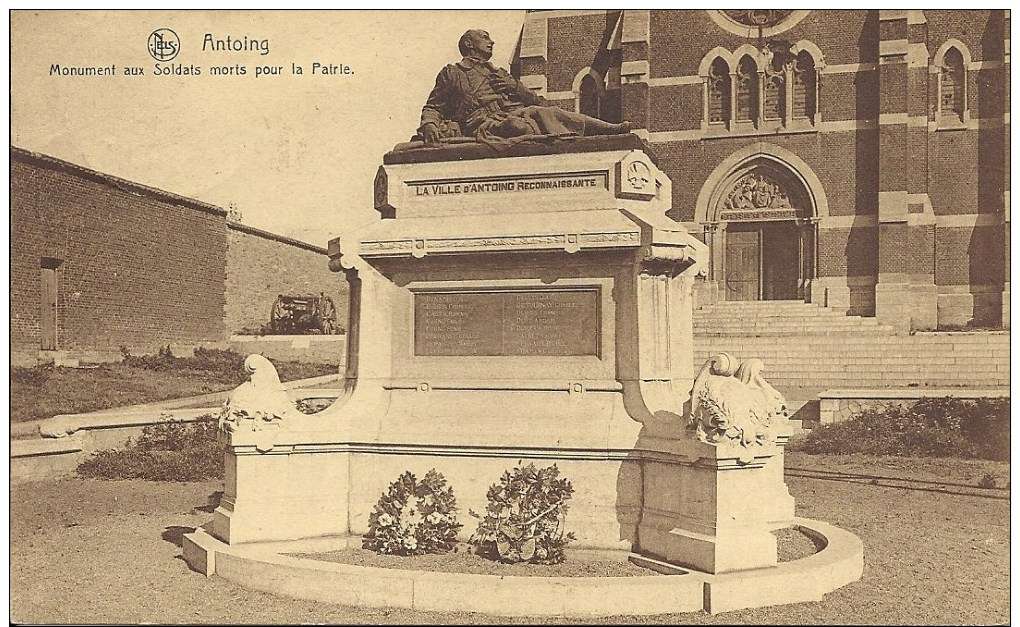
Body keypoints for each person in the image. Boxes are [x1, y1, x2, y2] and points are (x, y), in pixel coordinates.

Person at [418, 30, 631, 144]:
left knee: (549, 112)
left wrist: (515, 87)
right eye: (485, 38)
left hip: (512, 112)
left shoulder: (498, 72)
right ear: (469, 44)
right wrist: (429, 125)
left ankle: (610, 131)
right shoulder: (453, 72)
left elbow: (537, 101)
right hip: (481, 122)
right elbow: (433, 107)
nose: (491, 42)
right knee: (518, 127)